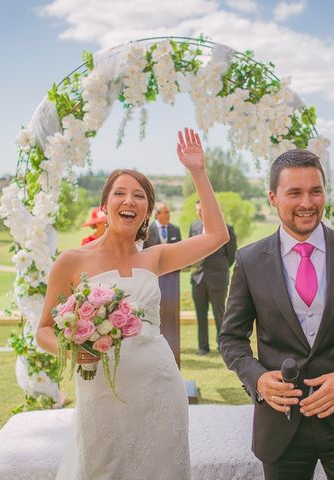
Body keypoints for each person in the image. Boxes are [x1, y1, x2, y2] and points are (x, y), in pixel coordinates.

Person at [37, 128, 229, 480]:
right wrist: (73, 349)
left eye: (139, 196)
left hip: (161, 388)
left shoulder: (155, 258)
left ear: (147, 213)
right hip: (101, 392)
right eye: (120, 193)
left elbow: (218, 236)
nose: (130, 200)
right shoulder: (72, 261)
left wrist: (198, 172)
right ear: (104, 205)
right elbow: (44, 331)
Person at [219, 149, 334, 480]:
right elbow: (230, 338)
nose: (307, 202)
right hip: (281, 424)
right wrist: (257, 379)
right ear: (273, 197)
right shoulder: (249, 261)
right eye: (295, 192)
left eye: (316, 191)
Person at [189, 201, 237, 355]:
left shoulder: (225, 228)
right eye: (197, 210)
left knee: (219, 314)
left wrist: (220, 270)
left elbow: (231, 255)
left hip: (217, 278)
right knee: (200, 314)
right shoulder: (194, 227)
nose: (199, 213)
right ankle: (203, 347)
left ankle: (223, 346)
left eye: (202, 210)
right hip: (197, 279)